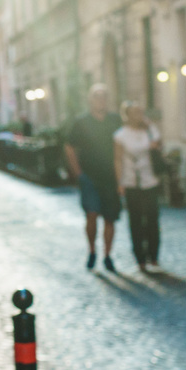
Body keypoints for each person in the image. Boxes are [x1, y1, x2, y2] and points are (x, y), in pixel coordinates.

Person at [64, 85, 123, 271]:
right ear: (91, 100)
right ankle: (92, 251)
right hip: (89, 177)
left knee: (110, 218)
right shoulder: (81, 121)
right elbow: (69, 147)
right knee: (91, 215)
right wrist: (78, 173)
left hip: (111, 177)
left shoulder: (115, 120)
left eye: (104, 96)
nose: (100, 100)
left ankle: (107, 255)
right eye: (97, 96)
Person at [114, 101, 162, 270]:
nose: (138, 115)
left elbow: (159, 144)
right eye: (134, 112)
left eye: (140, 112)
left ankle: (153, 255)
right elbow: (118, 159)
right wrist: (120, 182)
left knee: (152, 219)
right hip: (131, 181)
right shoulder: (121, 135)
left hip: (150, 179)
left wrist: (149, 128)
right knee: (135, 220)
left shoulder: (150, 130)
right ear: (127, 115)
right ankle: (140, 258)